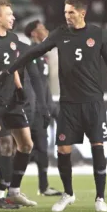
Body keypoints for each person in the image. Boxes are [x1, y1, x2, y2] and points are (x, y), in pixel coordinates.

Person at [0, 0, 107, 212]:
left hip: (93, 102)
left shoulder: (97, 34)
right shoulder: (60, 34)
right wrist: (11, 68)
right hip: (69, 104)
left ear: (82, 13)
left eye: (71, 12)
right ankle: (68, 193)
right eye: (65, 12)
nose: (67, 16)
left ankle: (100, 198)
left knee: (98, 146)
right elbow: (34, 52)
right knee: (63, 148)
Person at [0, 1, 45, 209]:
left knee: (25, 145)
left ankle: (10, 192)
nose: (13, 18)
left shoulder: (14, 40)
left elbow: (13, 67)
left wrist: (19, 88)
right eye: (9, 14)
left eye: (13, 14)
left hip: (11, 101)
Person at [24, 20, 62, 196]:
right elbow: (33, 83)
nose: (46, 30)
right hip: (35, 108)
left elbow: (43, 84)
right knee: (30, 148)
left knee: (37, 148)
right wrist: (41, 105)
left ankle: (43, 186)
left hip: (43, 106)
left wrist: (50, 105)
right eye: (41, 28)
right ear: (33, 33)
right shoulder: (31, 53)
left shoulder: (43, 54)